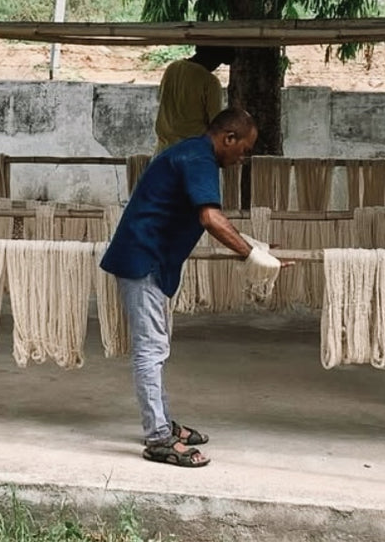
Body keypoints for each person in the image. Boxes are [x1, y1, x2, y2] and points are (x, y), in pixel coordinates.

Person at [100, 107, 281, 467]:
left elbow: (207, 218)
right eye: (243, 149)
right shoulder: (199, 160)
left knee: (157, 346)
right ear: (228, 139)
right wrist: (250, 255)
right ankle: (158, 439)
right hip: (143, 260)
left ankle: (163, 423)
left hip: (150, 259)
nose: (242, 158)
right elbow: (210, 217)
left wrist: (252, 248)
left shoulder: (190, 152)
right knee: (150, 350)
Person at [154, 45, 236, 153]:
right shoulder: (210, 81)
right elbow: (215, 122)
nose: (216, 66)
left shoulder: (172, 68)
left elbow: (160, 98)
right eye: (218, 61)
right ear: (213, 57)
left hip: (162, 151)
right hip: (192, 153)